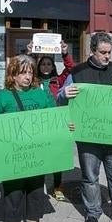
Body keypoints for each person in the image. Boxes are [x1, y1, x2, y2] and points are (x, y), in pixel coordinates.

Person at [58, 32, 112, 222]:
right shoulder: (77, 73)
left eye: (109, 53)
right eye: (102, 53)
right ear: (92, 51)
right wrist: (64, 94)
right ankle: (93, 212)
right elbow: (60, 100)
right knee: (90, 178)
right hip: (88, 139)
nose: (107, 57)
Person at [0, 54, 57, 222]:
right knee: (13, 195)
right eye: (23, 72)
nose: (28, 76)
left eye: (30, 71)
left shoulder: (41, 94)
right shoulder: (3, 96)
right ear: (13, 75)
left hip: (36, 154)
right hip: (13, 157)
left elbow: (54, 118)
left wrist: (66, 125)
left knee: (35, 192)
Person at [33, 40, 74, 201]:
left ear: (52, 66)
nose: (46, 67)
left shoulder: (58, 80)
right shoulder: (33, 80)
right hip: (38, 123)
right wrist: (31, 54)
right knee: (38, 155)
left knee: (58, 157)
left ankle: (57, 187)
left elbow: (71, 69)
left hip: (57, 123)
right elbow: (24, 69)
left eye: (49, 64)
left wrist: (64, 53)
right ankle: (36, 186)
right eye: (43, 64)